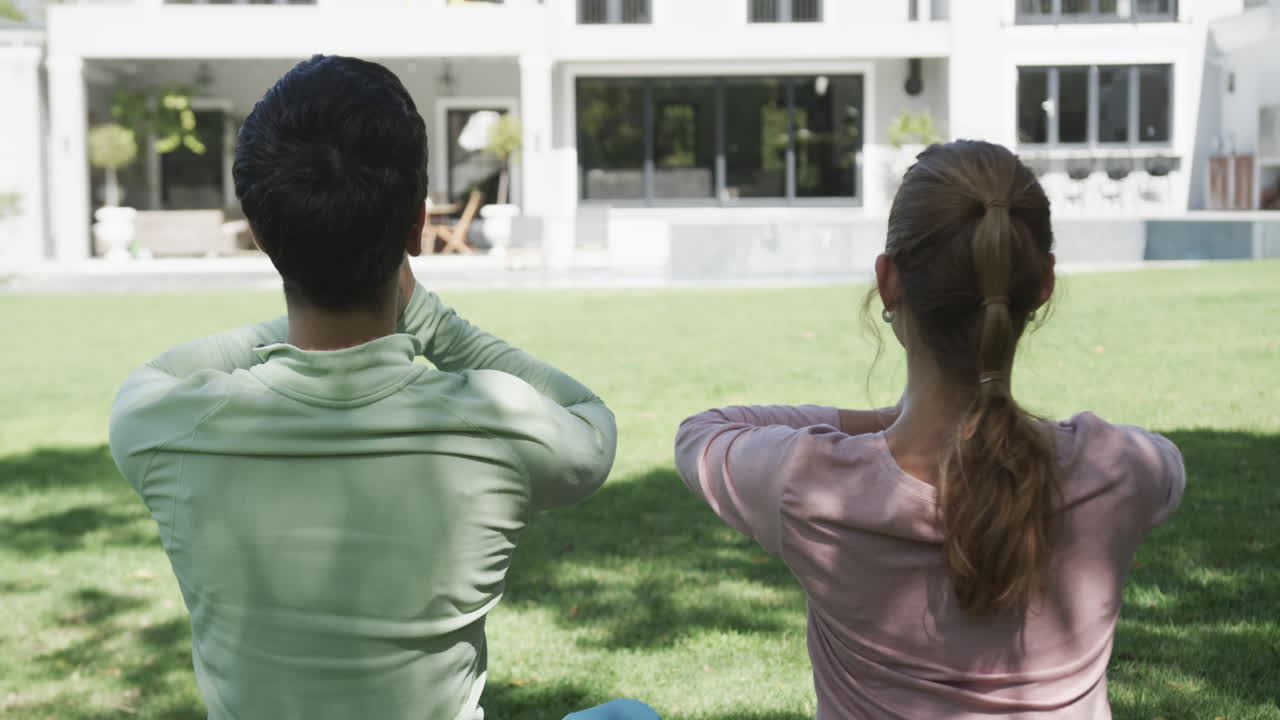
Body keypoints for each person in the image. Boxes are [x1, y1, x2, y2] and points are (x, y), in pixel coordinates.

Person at [109, 55, 638, 720]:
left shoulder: (162, 424)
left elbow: (148, 379)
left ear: (261, 232)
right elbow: (590, 421)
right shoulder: (495, 424)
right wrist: (432, 321)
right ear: (417, 225)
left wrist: (307, 286)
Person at [674, 140, 1185, 719]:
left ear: (888, 280)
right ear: (1043, 282)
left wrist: (891, 421)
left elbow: (703, 433)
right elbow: (1169, 467)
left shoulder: (812, 485)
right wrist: (1000, 421)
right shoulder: (1118, 471)